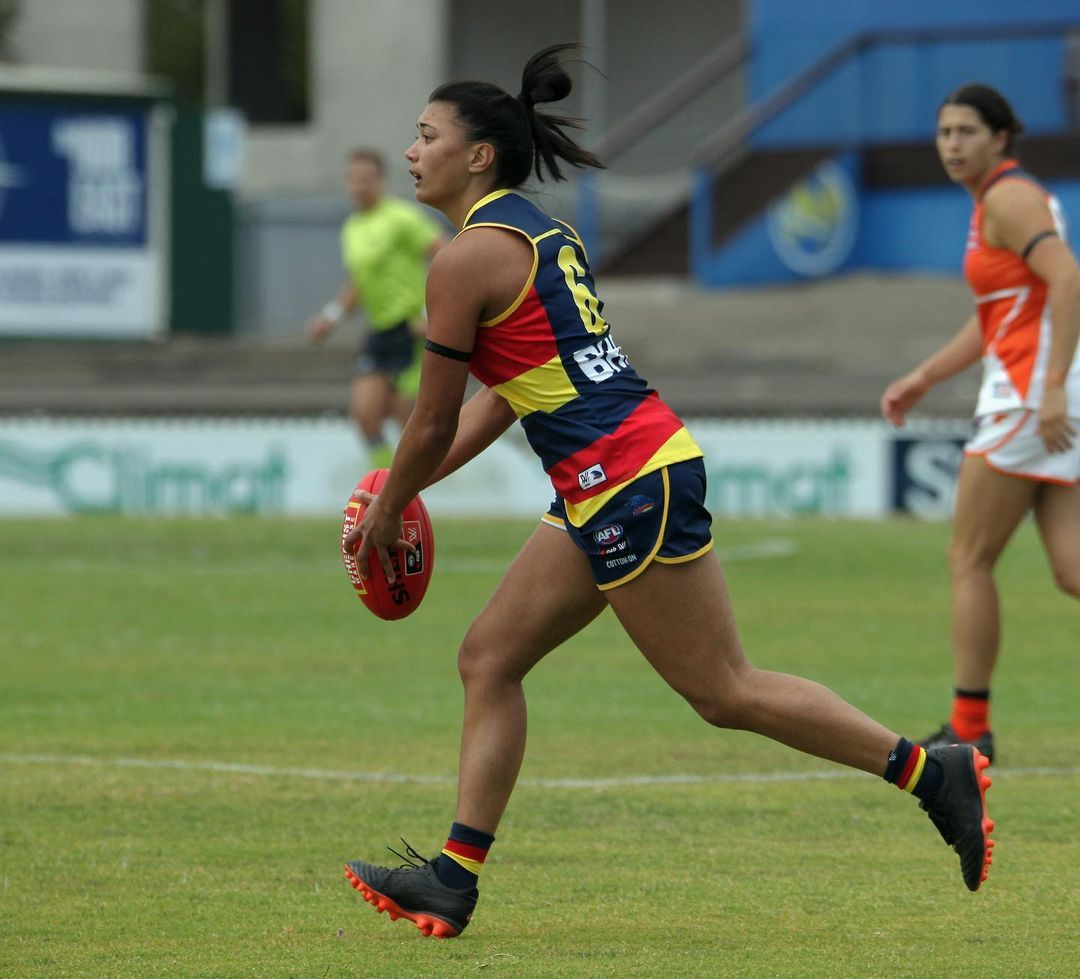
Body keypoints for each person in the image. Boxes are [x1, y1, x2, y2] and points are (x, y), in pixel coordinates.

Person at [342, 45, 996, 940]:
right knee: (489, 658)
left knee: (724, 690)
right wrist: (397, 491)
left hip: (624, 475)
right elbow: (502, 398)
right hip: (609, 476)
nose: (411, 152)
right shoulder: (541, 235)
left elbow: (426, 423)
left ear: (479, 155)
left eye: (426, 136)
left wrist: (390, 506)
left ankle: (931, 771)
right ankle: (453, 879)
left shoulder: (464, 262)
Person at [881, 84, 1080, 763]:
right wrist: (925, 376)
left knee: (968, 559)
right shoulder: (1000, 199)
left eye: (966, 131)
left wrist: (1051, 387)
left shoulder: (1007, 198)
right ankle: (971, 725)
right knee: (1072, 569)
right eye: (944, 132)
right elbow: (997, 314)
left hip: (1027, 398)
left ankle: (969, 726)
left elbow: (1069, 279)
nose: (952, 144)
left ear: (1001, 137)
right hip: (1039, 395)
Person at [307, 148, 447, 470]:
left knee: (409, 423)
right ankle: (385, 482)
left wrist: (431, 316)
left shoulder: (401, 218)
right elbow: (360, 282)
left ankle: (418, 487)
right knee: (365, 415)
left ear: (381, 181)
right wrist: (330, 317)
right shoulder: (352, 227)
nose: (359, 185)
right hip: (381, 331)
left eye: (367, 178)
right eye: (354, 179)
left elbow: (448, 255)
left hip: (411, 331)